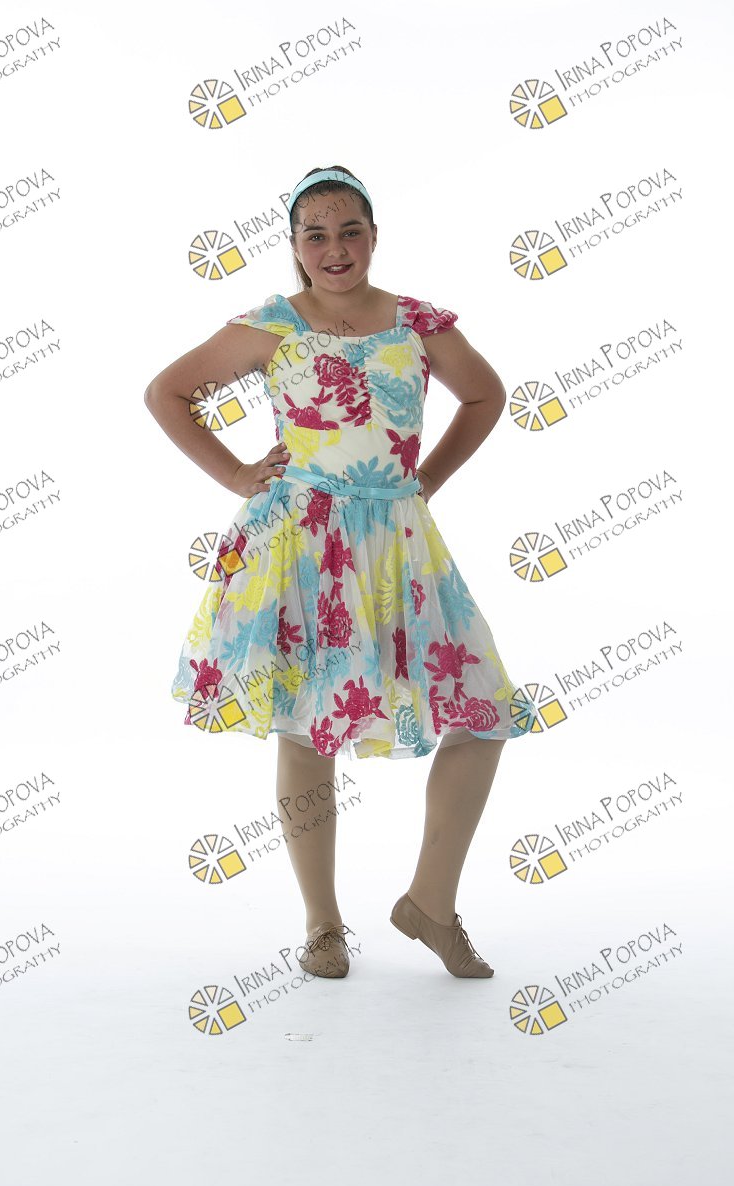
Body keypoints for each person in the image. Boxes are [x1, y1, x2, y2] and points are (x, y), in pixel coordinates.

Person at [144, 164, 537, 983]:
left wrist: (425, 482)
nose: (335, 248)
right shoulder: (272, 326)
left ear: (374, 236)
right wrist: (238, 474)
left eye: (350, 230)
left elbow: (485, 397)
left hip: (397, 545)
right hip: (298, 544)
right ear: (295, 245)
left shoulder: (416, 323)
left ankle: (430, 903)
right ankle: (323, 924)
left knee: (485, 711)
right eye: (316, 234)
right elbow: (168, 393)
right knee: (304, 724)